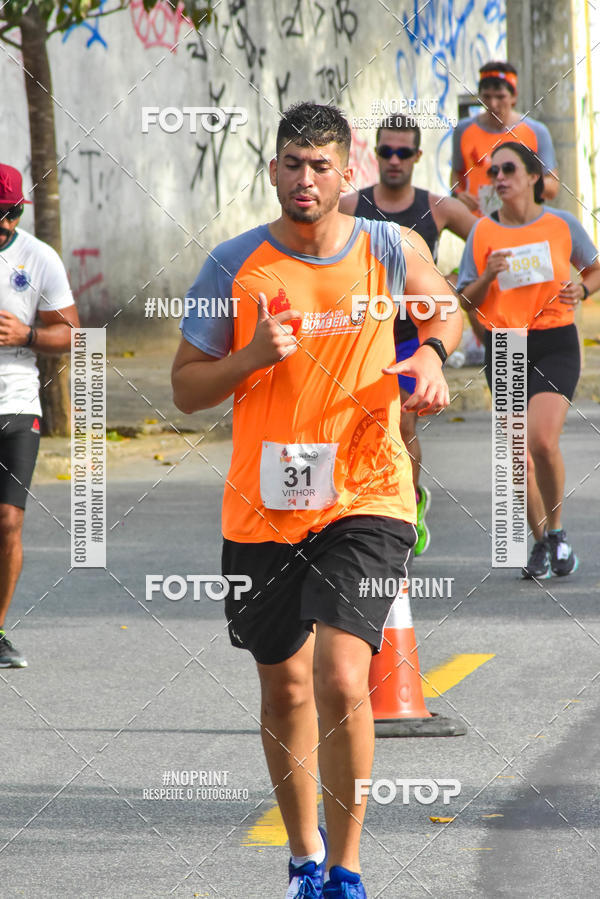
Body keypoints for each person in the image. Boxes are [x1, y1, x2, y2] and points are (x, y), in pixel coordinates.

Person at [172, 102, 462, 898]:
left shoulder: (387, 247)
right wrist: (250, 358)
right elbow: (186, 387)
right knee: (287, 686)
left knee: (340, 674)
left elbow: (445, 309)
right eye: (293, 164)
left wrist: (432, 356)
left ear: (347, 173)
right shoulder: (233, 265)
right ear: (273, 171)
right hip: (263, 507)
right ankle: (305, 855)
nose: (306, 179)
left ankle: (346, 867)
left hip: (367, 492)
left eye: (321, 165)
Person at [457, 142, 600, 579]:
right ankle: (541, 543)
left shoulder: (561, 224)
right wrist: (488, 276)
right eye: (493, 171)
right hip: (505, 344)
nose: (498, 177)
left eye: (508, 169)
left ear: (534, 176)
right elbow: (466, 298)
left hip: (555, 340)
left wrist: (583, 289)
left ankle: (557, 532)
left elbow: (594, 267)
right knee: (519, 455)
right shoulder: (482, 232)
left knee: (540, 440)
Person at [341, 115, 477, 555]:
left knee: (401, 423)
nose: (394, 160)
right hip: (361, 334)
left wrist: (458, 281)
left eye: (403, 152)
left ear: (417, 156)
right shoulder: (350, 205)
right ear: (376, 154)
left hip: (412, 338)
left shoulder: (437, 208)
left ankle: (407, 508)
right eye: (386, 151)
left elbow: (486, 238)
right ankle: (357, 510)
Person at [0, 163, 79, 667]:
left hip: (17, 403)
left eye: (11, 214)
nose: (5, 225)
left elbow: (72, 333)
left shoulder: (39, 257)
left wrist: (26, 335)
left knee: (8, 521)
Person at [451, 61, 559, 218]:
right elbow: (456, 176)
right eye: (487, 97)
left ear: (514, 97)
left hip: (523, 223)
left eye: (500, 97)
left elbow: (552, 187)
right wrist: (458, 194)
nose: (493, 104)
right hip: (477, 224)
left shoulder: (536, 131)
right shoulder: (463, 130)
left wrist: (521, 183)